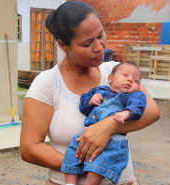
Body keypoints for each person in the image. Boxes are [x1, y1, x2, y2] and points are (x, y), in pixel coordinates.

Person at [20, 1, 160, 185]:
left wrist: (109, 126)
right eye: (87, 44)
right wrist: (88, 166)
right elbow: (30, 148)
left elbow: (151, 111)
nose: (99, 47)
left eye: (100, 35)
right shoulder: (47, 83)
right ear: (63, 45)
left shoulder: (117, 73)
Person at [61, 62, 146, 185]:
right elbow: (83, 106)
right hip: (87, 136)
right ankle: (70, 183)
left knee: (99, 165)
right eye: (125, 75)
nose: (130, 80)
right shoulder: (98, 90)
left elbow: (138, 107)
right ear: (110, 78)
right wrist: (90, 100)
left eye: (136, 80)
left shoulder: (133, 96)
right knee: (72, 153)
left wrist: (127, 112)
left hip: (113, 142)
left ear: (138, 88)